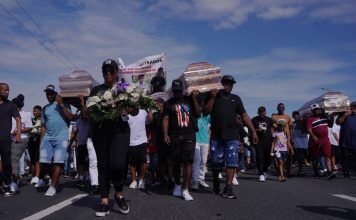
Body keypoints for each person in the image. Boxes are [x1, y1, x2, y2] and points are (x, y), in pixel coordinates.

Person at [82, 59, 130, 216]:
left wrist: (127, 108)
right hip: (100, 132)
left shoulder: (124, 88)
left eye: (111, 70)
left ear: (117, 72)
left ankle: (118, 194)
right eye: (105, 71)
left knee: (117, 164)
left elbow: (135, 111)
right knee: (102, 166)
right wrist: (85, 106)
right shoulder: (96, 90)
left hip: (120, 131)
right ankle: (104, 201)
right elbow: (86, 113)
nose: (108, 73)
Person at [203, 75, 258, 199]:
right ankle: (216, 182)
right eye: (226, 83)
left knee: (232, 162)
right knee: (217, 163)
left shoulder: (236, 99)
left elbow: (244, 116)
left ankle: (228, 188)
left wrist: (253, 131)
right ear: (221, 83)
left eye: (231, 84)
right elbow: (205, 111)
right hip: (217, 136)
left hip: (232, 136)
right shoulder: (214, 96)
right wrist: (212, 97)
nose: (228, 85)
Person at [162, 79, 201, 201]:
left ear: (183, 90)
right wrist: (165, 134)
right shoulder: (168, 103)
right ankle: (177, 186)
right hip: (174, 135)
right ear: (173, 91)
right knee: (176, 162)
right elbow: (166, 119)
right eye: (175, 91)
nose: (177, 93)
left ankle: (185, 189)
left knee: (187, 162)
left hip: (189, 135)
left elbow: (198, 113)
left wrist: (194, 99)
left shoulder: (190, 99)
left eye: (179, 91)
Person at [37, 84, 73, 196]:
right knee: (43, 163)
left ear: (56, 94)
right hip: (47, 138)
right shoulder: (45, 108)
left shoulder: (64, 104)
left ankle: (53, 186)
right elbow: (43, 126)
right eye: (47, 94)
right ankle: (50, 179)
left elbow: (71, 117)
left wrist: (61, 104)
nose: (48, 96)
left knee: (58, 162)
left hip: (61, 138)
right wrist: (41, 141)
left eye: (51, 93)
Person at [0, 83, 21, 197]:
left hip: (5, 139)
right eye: (5, 90)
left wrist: (18, 133)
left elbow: (18, 119)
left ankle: (7, 184)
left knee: (7, 163)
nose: (7, 92)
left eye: (8, 90)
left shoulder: (11, 105)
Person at [10, 94, 33, 193]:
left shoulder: (26, 114)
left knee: (14, 159)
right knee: (10, 160)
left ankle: (14, 181)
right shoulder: (10, 114)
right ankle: (13, 178)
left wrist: (19, 131)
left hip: (21, 139)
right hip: (9, 139)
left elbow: (30, 127)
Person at [306, 103, 335, 179]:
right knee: (315, 157)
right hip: (315, 140)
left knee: (327, 156)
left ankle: (329, 171)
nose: (316, 111)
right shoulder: (310, 119)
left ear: (319, 109)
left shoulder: (324, 117)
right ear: (312, 111)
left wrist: (331, 117)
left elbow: (331, 125)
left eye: (317, 109)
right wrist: (313, 136)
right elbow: (309, 129)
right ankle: (316, 172)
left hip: (325, 139)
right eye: (314, 110)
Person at [127, 107, 153, 190]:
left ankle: (141, 180)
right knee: (133, 162)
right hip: (131, 142)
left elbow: (149, 122)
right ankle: (134, 180)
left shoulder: (143, 112)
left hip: (142, 141)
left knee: (143, 161)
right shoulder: (126, 114)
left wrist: (150, 110)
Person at [252, 106, 273, 182]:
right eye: (260, 114)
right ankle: (260, 174)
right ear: (258, 113)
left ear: (265, 113)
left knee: (267, 158)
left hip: (268, 141)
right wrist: (257, 130)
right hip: (259, 141)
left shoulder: (268, 119)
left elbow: (274, 127)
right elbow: (251, 129)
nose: (262, 116)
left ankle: (264, 172)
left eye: (263, 114)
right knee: (260, 157)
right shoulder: (254, 119)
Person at [271, 103, 293, 177]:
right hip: (277, 138)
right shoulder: (274, 117)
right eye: (280, 107)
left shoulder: (287, 117)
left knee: (288, 157)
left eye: (282, 107)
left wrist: (291, 137)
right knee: (277, 158)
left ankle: (288, 172)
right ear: (277, 108)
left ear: (284, 108)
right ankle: (279, 171)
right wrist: (277, 128)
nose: (281, 108)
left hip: (286, 138)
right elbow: (271, 126)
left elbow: (290, 127)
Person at [336, 101, 356, 178]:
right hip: (345, 140)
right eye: (353, 107)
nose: (354, 109)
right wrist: (345, 115)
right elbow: (338, 122)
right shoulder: (343, 113)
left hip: (355, 140)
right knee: (345, 157)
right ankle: (345, 172)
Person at [191, 111, 211, 190]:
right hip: (195, 140)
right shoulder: (195, 113)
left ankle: (201, 179)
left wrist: (209, 138)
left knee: (204, 161)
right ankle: (195, 181)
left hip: (205, 140)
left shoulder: (208, 115)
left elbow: (211, 127)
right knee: (197, 160)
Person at [291, 111, 309, 176]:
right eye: (294, 115)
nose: (296, 116)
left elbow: (308, 128)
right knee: (300, 156)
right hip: (296, 140)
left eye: (297, 115)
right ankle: (300, 170)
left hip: (304, 140)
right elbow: (291, 132)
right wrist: (291, 140)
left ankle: (300, 169)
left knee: (304, 156)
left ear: (299, 115)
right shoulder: (292, 124)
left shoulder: (303, 122)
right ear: (293, 116)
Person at [29, 105, 42, 185]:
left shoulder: (42, 120)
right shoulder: (31, 120)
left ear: (40, 111)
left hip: (39, 141)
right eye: (33, 111)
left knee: (37, 159)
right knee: (32, 159)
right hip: (31, 141)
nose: (34, 112)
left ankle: (37, 176)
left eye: (36, 111)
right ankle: (34, 175)